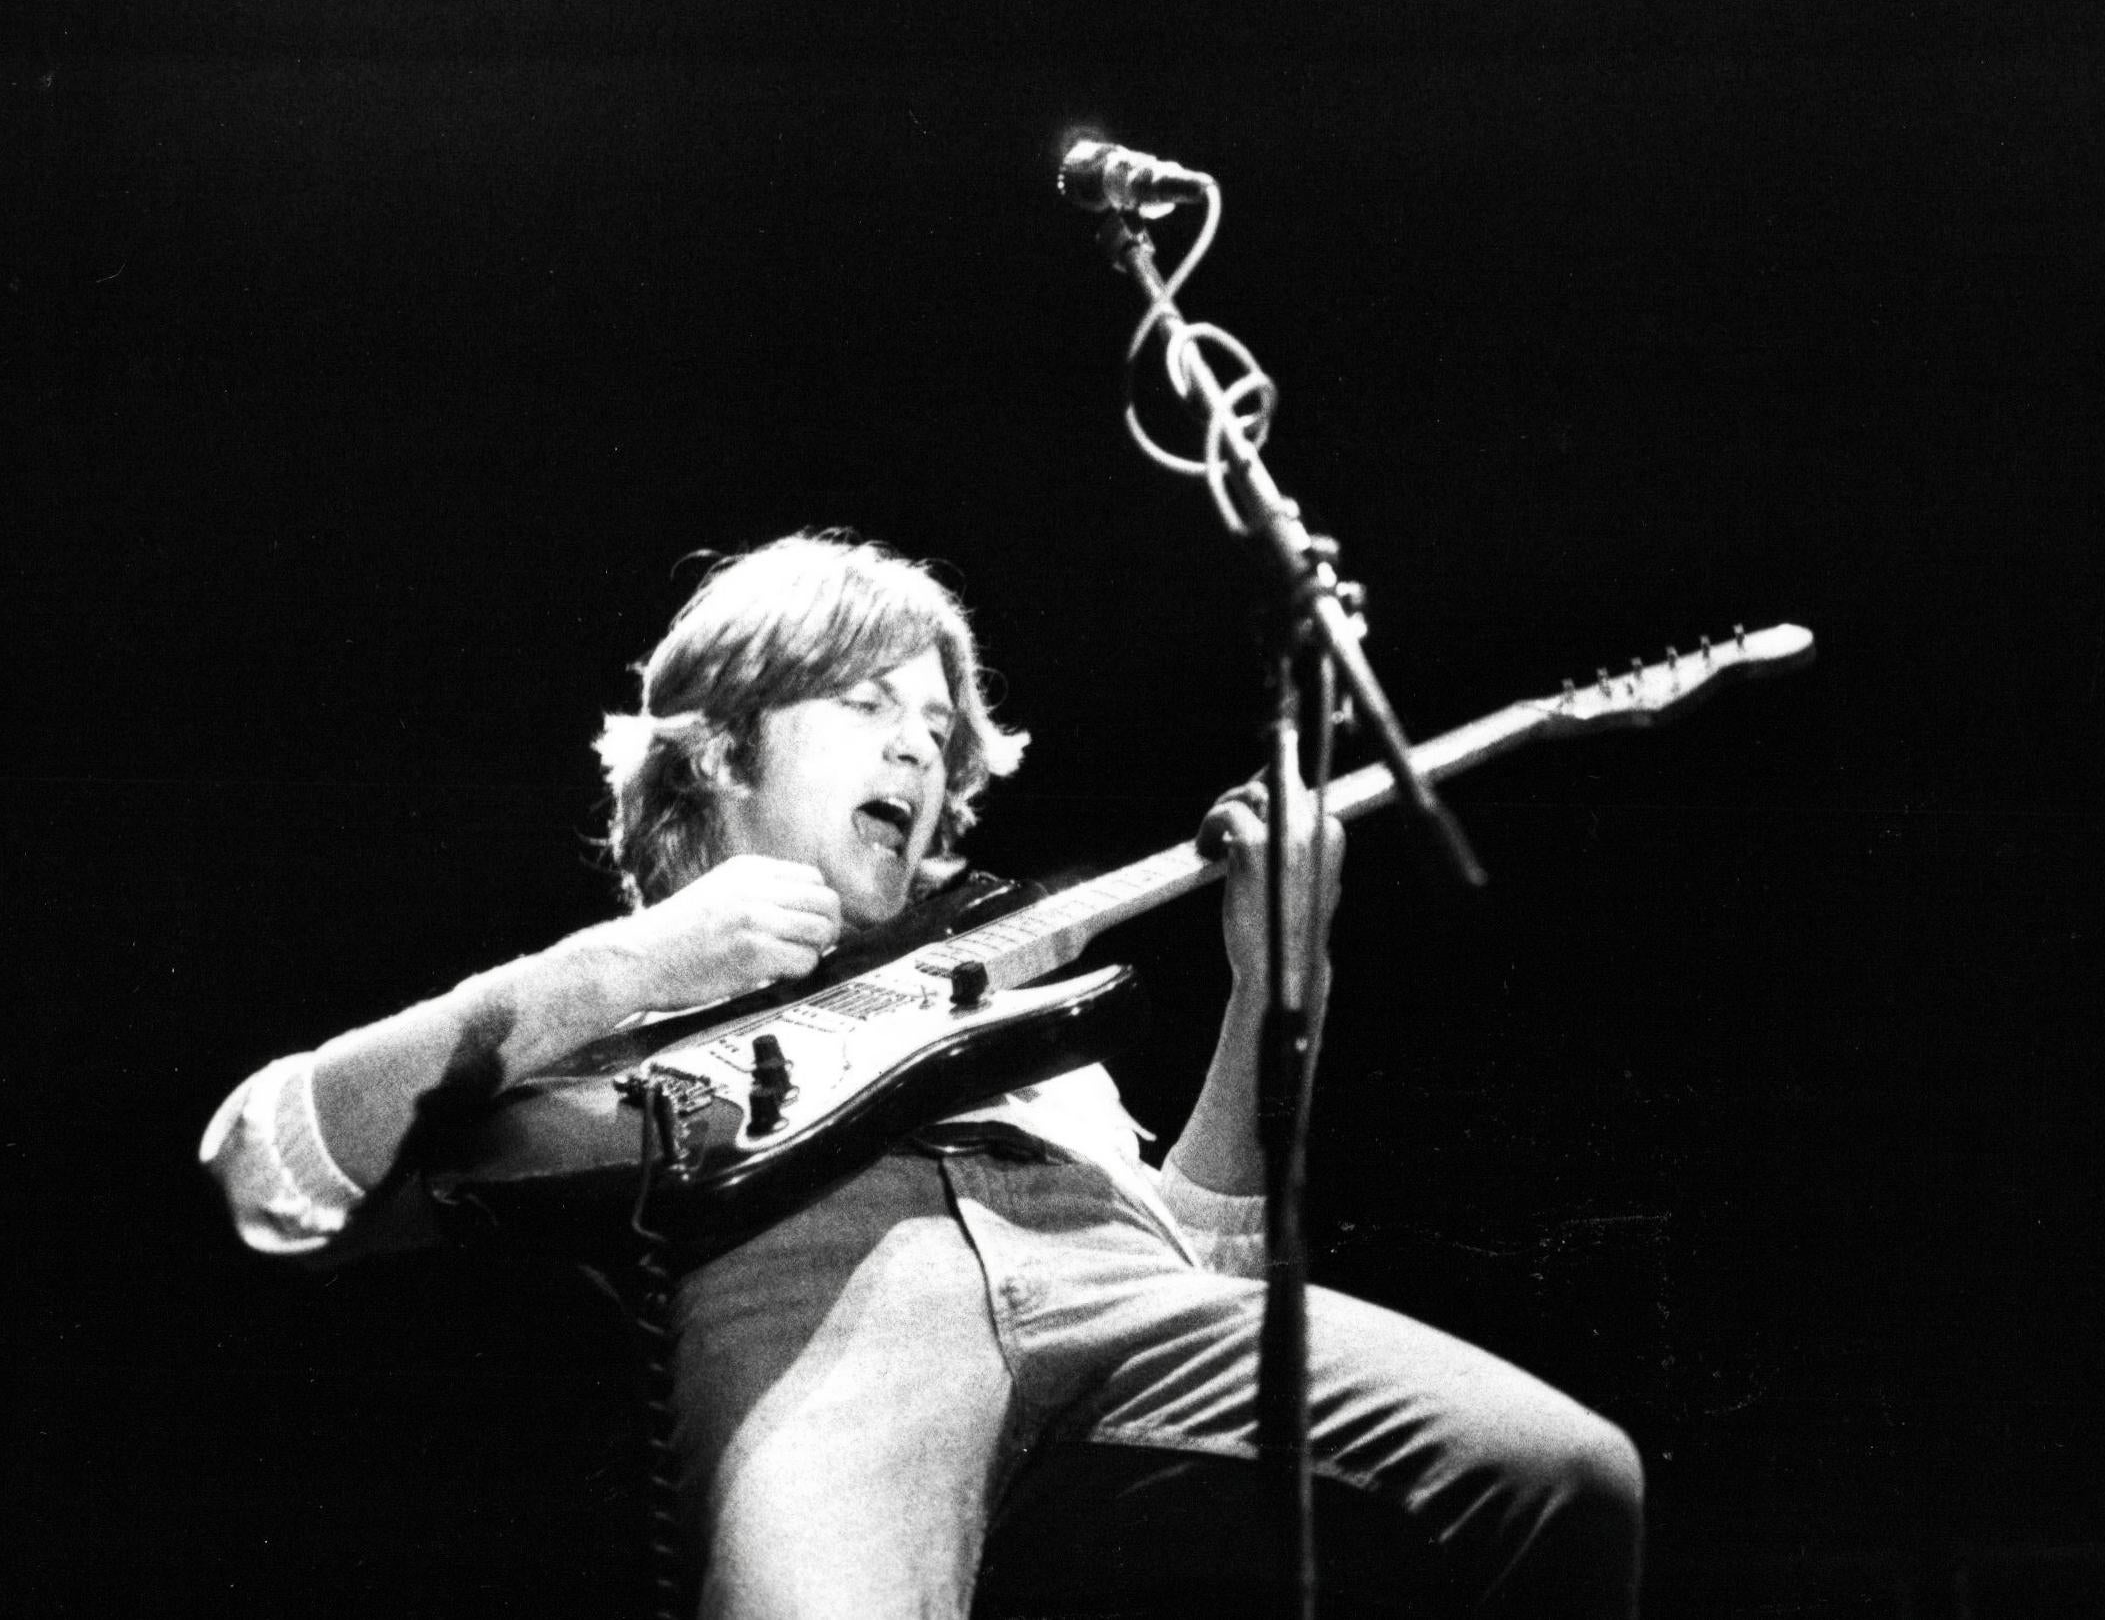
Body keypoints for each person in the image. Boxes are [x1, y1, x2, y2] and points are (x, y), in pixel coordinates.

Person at [201, 531, 1643, 1619]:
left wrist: (1280, 981)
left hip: (1107, 1284)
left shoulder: (1003, 976)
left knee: (1561, 1479)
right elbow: (266, 1165)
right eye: (865, 704)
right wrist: (620, 972)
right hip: (817, 1312)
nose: (918, 744)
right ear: (714, 751)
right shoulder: (580, 1014)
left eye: (939, 729)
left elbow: (1200, 1251)